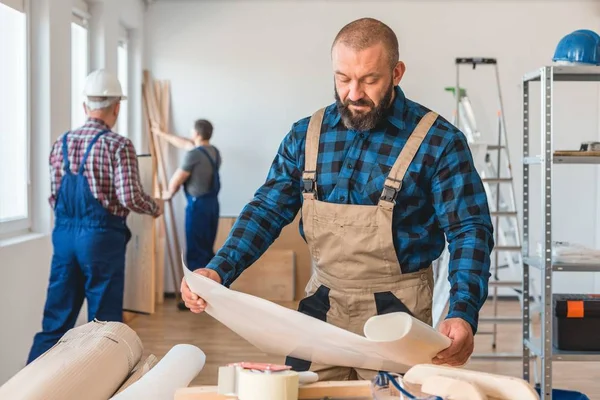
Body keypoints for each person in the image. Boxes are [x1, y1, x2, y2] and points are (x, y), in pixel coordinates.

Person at [181, 17, 494, 380]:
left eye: (369, 79)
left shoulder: (438, 141)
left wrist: (462, 310)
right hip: (322, 309)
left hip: (399, 316)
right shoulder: (305, 136)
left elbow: (469, 229)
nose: (354, 93)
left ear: (397, 73)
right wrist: (218, 270)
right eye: (343, 78)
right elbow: (266, 209)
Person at [27, 69, 164, 363]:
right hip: (101, 238)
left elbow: (53, 196)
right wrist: (155, 206)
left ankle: (27, 390)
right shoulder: (118, 145)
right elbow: (129, 196)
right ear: (117, 107)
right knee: (104, 327)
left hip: (64, 236)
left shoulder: (61, 142)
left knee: (56, 322)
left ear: (85, 106)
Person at [157, 120, 221, 273]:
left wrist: (168, 193)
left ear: (197, 134)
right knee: (206, 251)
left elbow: (177, 179)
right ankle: (209, 293)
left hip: (198, 208)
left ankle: (195, 294)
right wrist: (162, 134)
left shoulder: (193, 155)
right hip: (212, 207)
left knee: (196, 252)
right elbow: (185, 144)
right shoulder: (214, 152)